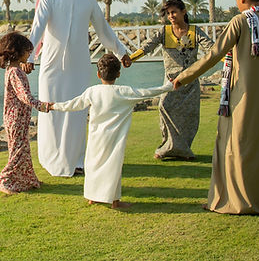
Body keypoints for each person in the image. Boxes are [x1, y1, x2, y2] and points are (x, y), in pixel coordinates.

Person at [173, 0, 259, 214]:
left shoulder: (239, 22)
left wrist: (185, 76)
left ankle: (231, 201)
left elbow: (214, 54)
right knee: (258, 146)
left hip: (240, 97)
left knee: (233, 146)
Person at [27, 0, 131, 177]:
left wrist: (121, 53)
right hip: (52, 68)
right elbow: (37, 29)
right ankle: (52, 160)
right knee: (52, 112)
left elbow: (104, 31)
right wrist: (29, 58)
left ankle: (76, 161)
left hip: (79, 67)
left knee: (77, 113)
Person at [53, 54, 173, 209]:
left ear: (98, 74)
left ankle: (92, 197)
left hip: (96, 137)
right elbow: (147, 92)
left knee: (93, 165)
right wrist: (168, 87)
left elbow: (73, 104)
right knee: (113, 166)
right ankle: (115, 201)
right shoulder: (124, 91)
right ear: (118, 74)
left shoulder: (92, 91)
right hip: (114, 137)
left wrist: (53, 106)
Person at [128, 0, 214, 160]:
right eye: (168, 13)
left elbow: (212, 49)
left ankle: (184, 150)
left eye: (174, 12)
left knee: (190, 116)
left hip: (190, 82)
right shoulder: (164, 31)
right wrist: (131, 59)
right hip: (170, 83)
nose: (171, 16)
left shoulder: (195, 31)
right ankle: (166, 147)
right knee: (164, 107)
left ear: (184, 12)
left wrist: (229, 60)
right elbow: (148, 46)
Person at [0, 31, 54, 194]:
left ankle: (27, 179)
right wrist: (44, 106)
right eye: (28, 51)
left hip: (18, 117)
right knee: (18, 150)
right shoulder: (15, 72)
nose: (30, 54)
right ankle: (5, 180)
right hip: (16, 118)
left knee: (23, 148)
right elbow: (24, 96)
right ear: (18, 51)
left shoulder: (14, 69)